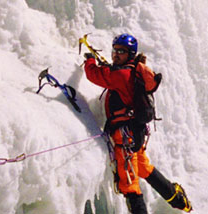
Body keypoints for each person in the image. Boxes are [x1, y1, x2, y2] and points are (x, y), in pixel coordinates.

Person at [82, 33, 191, 214]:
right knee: (143, 167)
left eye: (121, 51)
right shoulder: (134, 71)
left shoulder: (122, 74)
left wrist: (90, 61)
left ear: (130, 54)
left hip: (125, 136)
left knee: (129, 184)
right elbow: (115, 75)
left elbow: (95, 75)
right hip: (136, 132)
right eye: (115, 50)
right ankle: (178, 199)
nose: (116, 54)